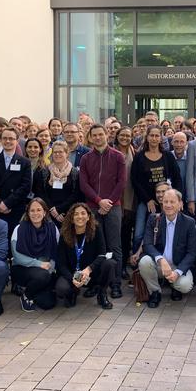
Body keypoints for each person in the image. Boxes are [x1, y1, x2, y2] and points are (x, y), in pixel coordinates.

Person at [79, 124, 126, 298]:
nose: (98, 138)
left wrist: (108, 202)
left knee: (115, 246)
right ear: (90, 137)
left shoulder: (118, 156)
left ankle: (115, 284)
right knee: (93, 247)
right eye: (94, 135)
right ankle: (96, 283)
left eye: (101, 134)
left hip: (113, 207)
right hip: (92, 207)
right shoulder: (85, 158)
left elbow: (121, 183)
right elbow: (83, 184)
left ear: (107, 135)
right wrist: (99, 201)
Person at [139, 188, 196, 308]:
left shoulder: (189, 223)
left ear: (180, 203)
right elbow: (147, 244)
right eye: (165, 202)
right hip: (160, 264)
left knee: (185, 286)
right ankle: (155, 292)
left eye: (172, 201)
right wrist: (160, 259)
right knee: (144, 261)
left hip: (177, 265)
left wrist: (178, 272)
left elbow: (191, 253)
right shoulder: (154, 219)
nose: (168, 205)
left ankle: (175, 286)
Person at [55, 203, 116, 310]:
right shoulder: (65, 233)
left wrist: (88, 269)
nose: (80, 217)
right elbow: (61, 263)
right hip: (73, 273)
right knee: (61, 288)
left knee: (110, 264)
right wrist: (72, 278)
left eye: (83, 213)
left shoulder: (96, 229)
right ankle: (72, 292)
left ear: (88, 217)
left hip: (90, 273)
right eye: (76, 214)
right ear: (71, 218)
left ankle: (102, 294)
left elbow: (102, 254)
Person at [131, 125, 183, 245]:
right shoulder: (139, 156)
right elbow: (135, 180)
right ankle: (136, 259)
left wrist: (177, 198)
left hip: (166, 201)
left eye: (157, 136)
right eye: (151, 135)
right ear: (147, 137)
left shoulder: (168, 156)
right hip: (146, 201)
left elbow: (177, 178)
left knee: (164, 233)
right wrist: (147, 199)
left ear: (161, 138)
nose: (154, 138)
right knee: (139, 233)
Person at [0, 127, 32, 236]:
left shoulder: (25, 162)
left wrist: (7, 203)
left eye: (11, 138)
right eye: (5, 138)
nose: (7, 141)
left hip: (15, 209)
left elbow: (26, 186)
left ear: (17, 141)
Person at [11, 198, 58, 311]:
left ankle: (35, 290)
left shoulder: (52, 228)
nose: (35, 213)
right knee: (43, 276)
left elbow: (56, 252)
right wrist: (39, 264)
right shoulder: (19, 229)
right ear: (28, 212)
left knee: (48, 304)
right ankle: (26, 295)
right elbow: (17, 256)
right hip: (22, 268)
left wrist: (51, 266)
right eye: (32, 210)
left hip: (45, 270)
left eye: (39, 210)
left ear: (45, 212)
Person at [35, 141, 80, 224]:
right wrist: (52, 209)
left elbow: (76, 194)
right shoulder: (44, 171)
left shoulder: (75, 173)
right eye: (55, 152)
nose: (57, 154)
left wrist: (60, 210)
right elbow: (40, 193)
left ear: (67, 154)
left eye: (60, 152)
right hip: (48, 213)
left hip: (68, 214)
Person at [114, 126, 136, 277]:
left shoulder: (134, 152)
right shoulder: (112, 151)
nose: (125, 138)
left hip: (131, 198)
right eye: (122, 135)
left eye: (128, 136)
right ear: (117, 136)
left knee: (126, 234)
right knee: (116, 235)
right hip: (116, 199)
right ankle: (116, 266)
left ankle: (123, 265)